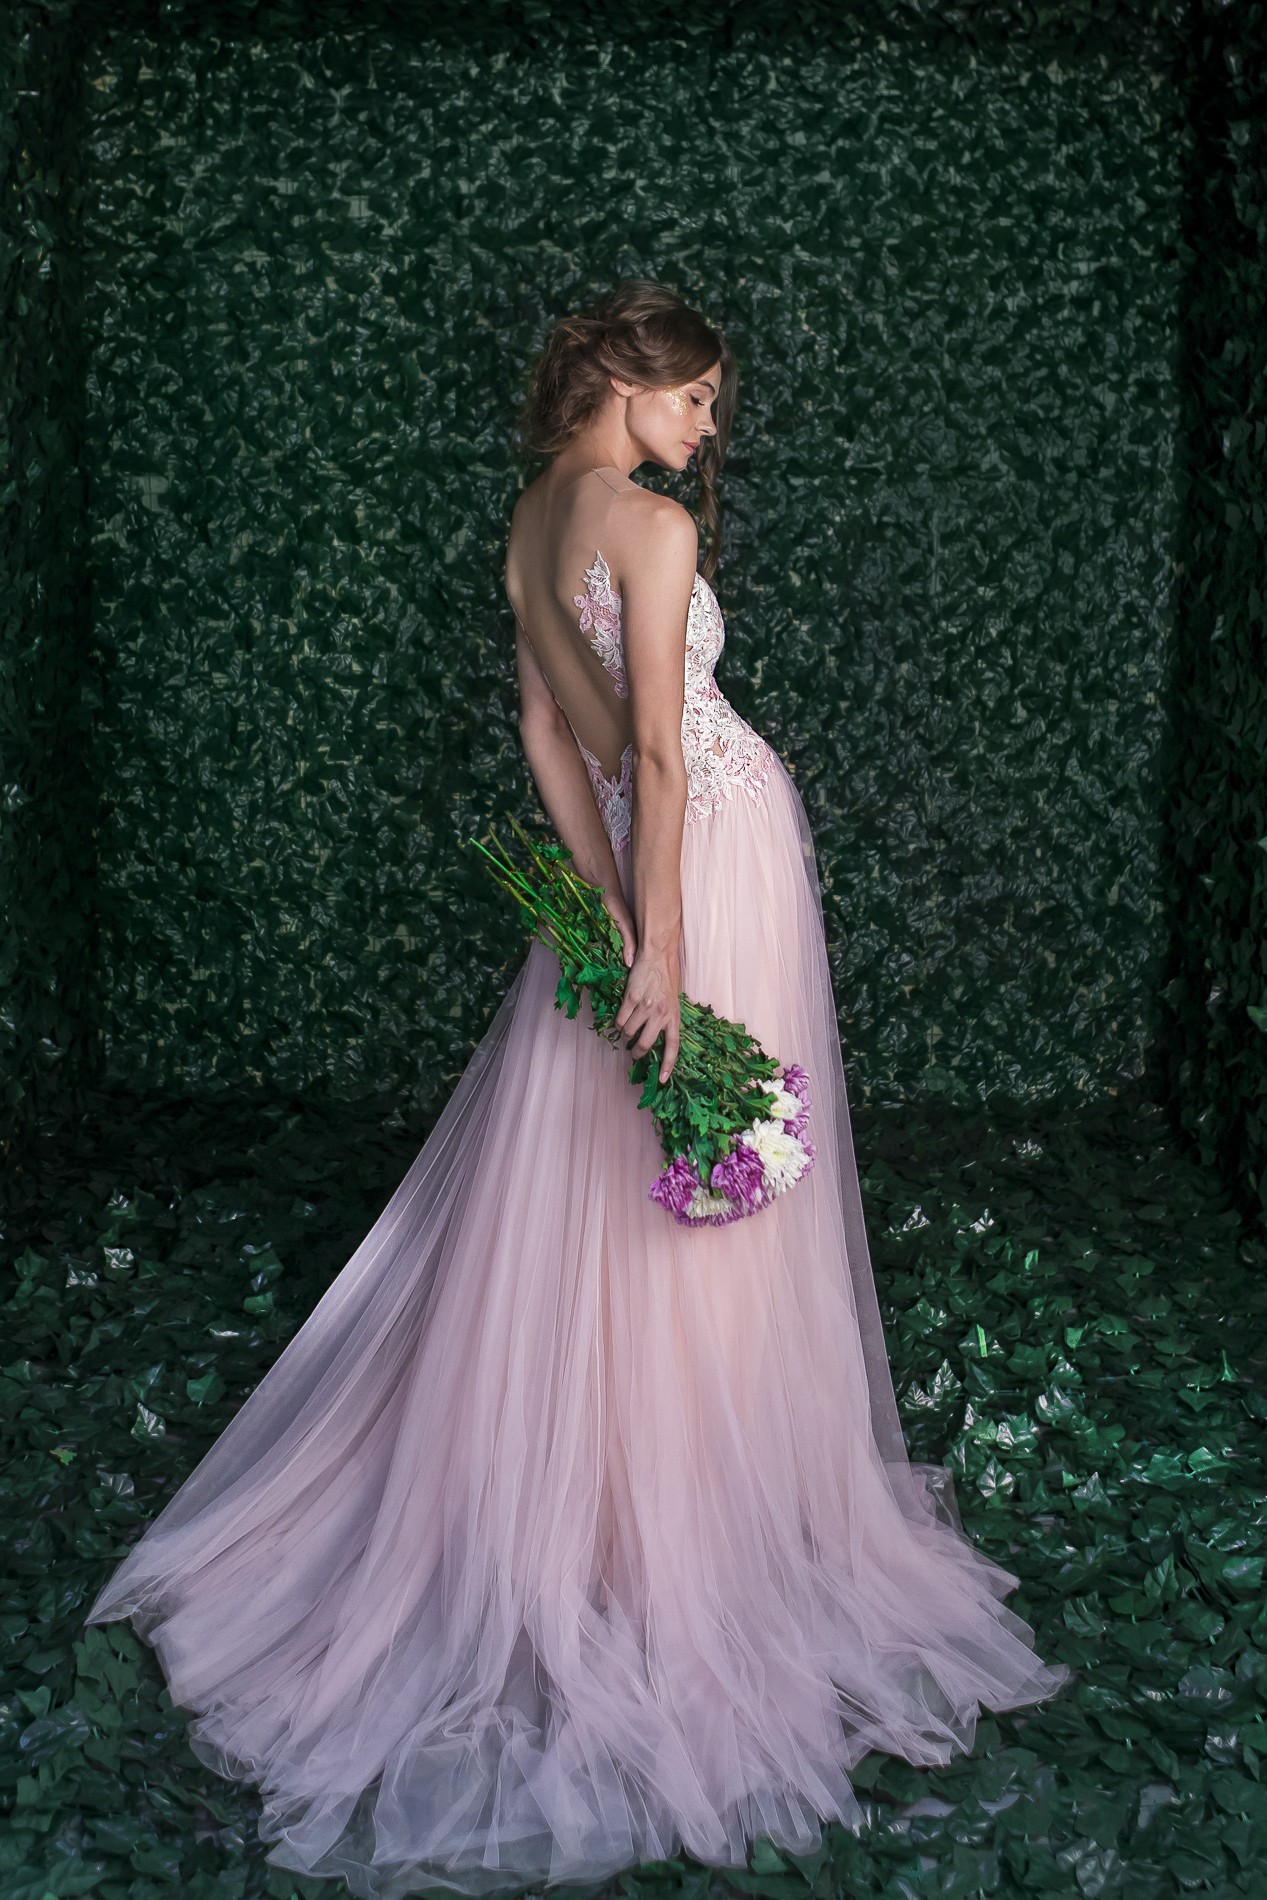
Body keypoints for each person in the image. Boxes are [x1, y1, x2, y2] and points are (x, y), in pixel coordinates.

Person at [85, 279, 1070, 1899]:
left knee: (616, 1173)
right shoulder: (648, 524)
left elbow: (553, 733)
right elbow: (664, 751)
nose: (708, 427)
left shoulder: (536, 515)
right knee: (692, 1173)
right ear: (625, 377)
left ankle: (616, 1496)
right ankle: (688, 1524)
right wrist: (664, 945)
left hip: (629, 873)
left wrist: (602, 912)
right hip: (709, 858)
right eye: (696, 398)